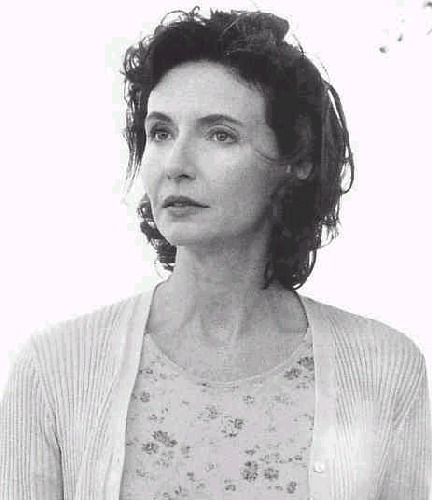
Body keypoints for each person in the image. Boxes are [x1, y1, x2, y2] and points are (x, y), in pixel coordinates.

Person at [0, 7, 431, 500]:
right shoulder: (56, 369)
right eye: (161, 132)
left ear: (298, 159)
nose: (176, 164)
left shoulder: (383, 369)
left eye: (220, 134)